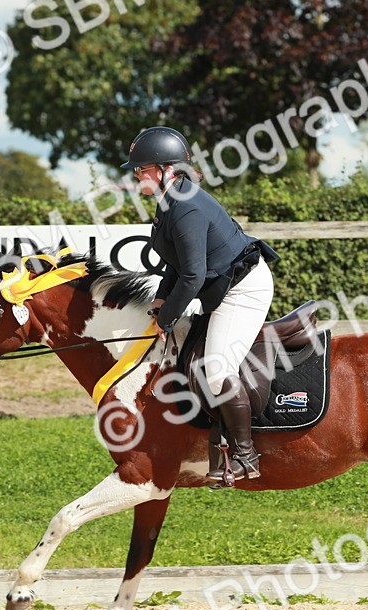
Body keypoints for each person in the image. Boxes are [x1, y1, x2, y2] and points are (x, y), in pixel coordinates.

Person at [122, 126, 276, 484]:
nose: (136, 175)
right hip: (221, 285)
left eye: (141, 168)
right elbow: (177, 266)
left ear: (165, 169)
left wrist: (167, 318)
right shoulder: (171, 201)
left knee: (217, 370)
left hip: (243, 290)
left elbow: (193, 276)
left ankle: (244, 456)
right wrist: (162, 297)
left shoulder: (184, 206)